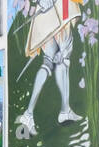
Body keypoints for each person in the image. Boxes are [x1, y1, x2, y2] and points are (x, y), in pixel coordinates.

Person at [15, 0, 82, 139]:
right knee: (63, 59)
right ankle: (64, 111)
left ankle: (29, 113)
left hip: (46, 15)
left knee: (48, 62)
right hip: (60, 8)